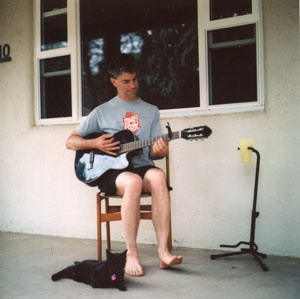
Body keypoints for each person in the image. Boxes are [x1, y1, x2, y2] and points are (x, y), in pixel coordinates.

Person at [66, 53, 182, 277]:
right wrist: (94, 143)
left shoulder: (151, 110)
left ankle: (163, 252)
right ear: (113, 82)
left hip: (141, 165)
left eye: (135, 79)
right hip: (113, 171)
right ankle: (131, 253)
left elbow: (153, 152)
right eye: (126, 81)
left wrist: (160, 151)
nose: (133, 86)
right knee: (133, 181)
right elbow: (71, 141)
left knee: (158, 177)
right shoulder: (101, 112)